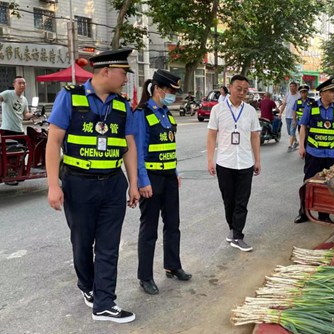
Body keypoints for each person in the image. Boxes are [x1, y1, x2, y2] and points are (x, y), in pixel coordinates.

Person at [46, 49, 140, 323]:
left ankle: (104, 303)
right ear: (106, 71)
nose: (125, 79)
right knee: (82, 243)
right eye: (123, 73)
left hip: (112, 184)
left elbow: (129, 146)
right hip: (78, 185)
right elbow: (53, 142)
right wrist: (53, 185)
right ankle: (87, 286)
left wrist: (133, 183)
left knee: (109, 246)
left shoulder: (122, 105)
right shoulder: (70, 97)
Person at [134, 70, 192, 296]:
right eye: (170, 91)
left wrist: (174, 171)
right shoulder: (142, 113)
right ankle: (145, 276)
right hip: (151, 179)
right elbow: (138, 151)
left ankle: (172, 265)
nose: (172, 96)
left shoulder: (166, 114)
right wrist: (142, 181)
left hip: (168, 177)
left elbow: (168, 147)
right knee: (149, 230)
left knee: (173, 224)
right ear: (157, 88)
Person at [206, 74, 261, 252]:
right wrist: (210, 160)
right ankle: (233, 228)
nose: (242, 93)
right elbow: (212, 136)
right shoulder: (218, 110)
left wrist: (257, 160)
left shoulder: (251, 111)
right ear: (230, 87)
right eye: (239, 89)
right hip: (225, 162)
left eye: (245, 90)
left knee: (242, 201)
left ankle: (237, 235)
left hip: (245, 163)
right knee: (228, 200)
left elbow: (254, 137)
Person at [295, 77, 334, 224]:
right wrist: (301, 146)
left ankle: (324, 214)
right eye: (332, 91)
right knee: (309, 182)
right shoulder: (311, 107)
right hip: (313, 152)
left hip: (330, 153)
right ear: (323, 93)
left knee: (328, 183)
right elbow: (303, 127)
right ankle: (304, 212)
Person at [279, 82, 300, 152]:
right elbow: (284, 104)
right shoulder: (287, 94)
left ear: (296, 87)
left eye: (293, 86)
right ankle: (296, 142)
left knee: (292, 131)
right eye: (290, 86)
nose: (292, 88)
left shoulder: (299, 96)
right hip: (287, 116)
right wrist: (280, 113)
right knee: (289, 132)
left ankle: (290, 145)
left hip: (295, 117)